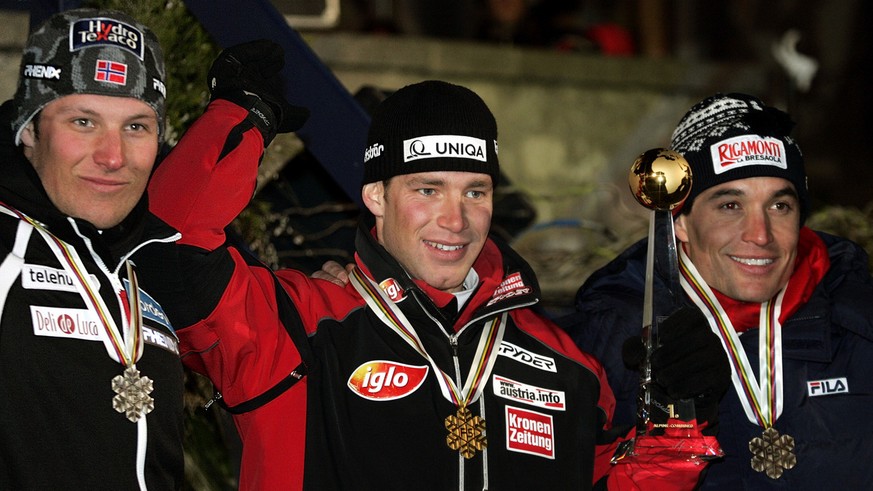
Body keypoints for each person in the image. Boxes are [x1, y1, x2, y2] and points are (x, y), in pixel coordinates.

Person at [145, 72, 728, 489]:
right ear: (375, 195)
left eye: (475, 191)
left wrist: (679, 424)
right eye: (428, 190)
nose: (456, 219)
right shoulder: (292, 326)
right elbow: (169, 246)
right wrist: (241, 115)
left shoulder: (566, 365)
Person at [559, 93, 873, 489]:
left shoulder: (859, 321)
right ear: (681, 223)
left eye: (780, 206)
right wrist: (664, 428)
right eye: (730, 205)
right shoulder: (603, 342)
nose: (760, 235)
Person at [0, 8, 182, 489]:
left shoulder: (157, 255)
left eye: (136, 127)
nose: (113, 156)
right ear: (29, 130)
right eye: (83, 121)